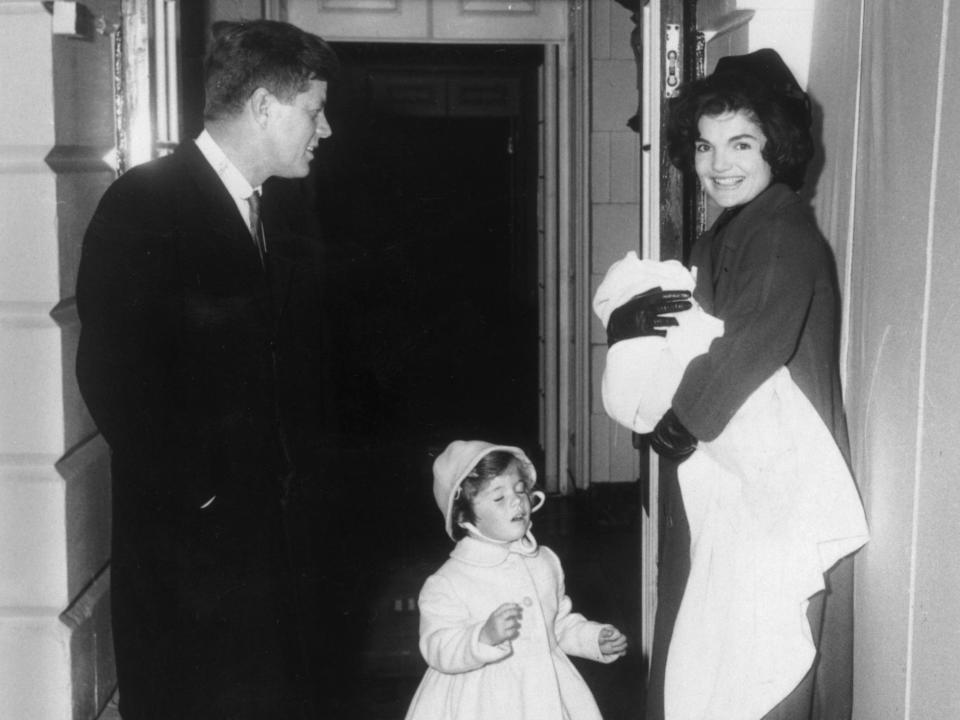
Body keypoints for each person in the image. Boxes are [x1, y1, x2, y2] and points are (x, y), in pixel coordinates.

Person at [75, 20, 339, 720]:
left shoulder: (278, 216)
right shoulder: (146, 205)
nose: (327, 129)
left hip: (267, 549)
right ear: (261, 106)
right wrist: (204, 494)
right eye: (314, 110)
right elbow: (112, 374)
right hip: (189, 561)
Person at [618, 49, 858, 719]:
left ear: (777, 148)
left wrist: (682, 419)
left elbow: (752, 344)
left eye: (741, 143)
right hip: (738, 468)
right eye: (705, 144)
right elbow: (698, 330)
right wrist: (631, 328)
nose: (719, 162)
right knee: (721, 650)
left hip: (777, 474)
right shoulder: (727, 232)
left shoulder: (779, 234)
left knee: (761, 657)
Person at [404, 440, 628, 720]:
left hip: (545, 690)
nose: (516, 501)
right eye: (498, 497)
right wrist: (481, 637)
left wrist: (592, 638)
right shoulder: (449, 581)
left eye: (520, 490)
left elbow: (555, 624)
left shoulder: (544, 561)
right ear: (463, 517)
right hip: (481, 701)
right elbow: (438, 646)